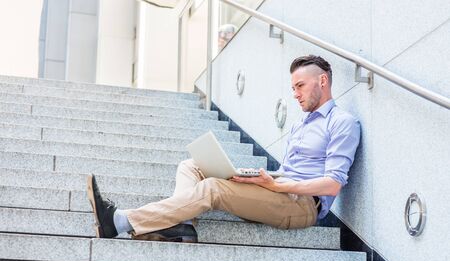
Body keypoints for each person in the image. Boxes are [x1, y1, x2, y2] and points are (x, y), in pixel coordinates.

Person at [87, 55, 361, 242]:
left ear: (322, 81)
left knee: (213, 188)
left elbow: (332, 185)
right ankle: (179, 225)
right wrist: (262, 179)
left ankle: (120, 222)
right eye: (293, 87)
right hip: (280, 189)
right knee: (191, 165)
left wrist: (276, 187)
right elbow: (287, 172)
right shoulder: (301, 124)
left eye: (300, 86)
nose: (295, 94)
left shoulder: (343, 123)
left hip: (302, 208)